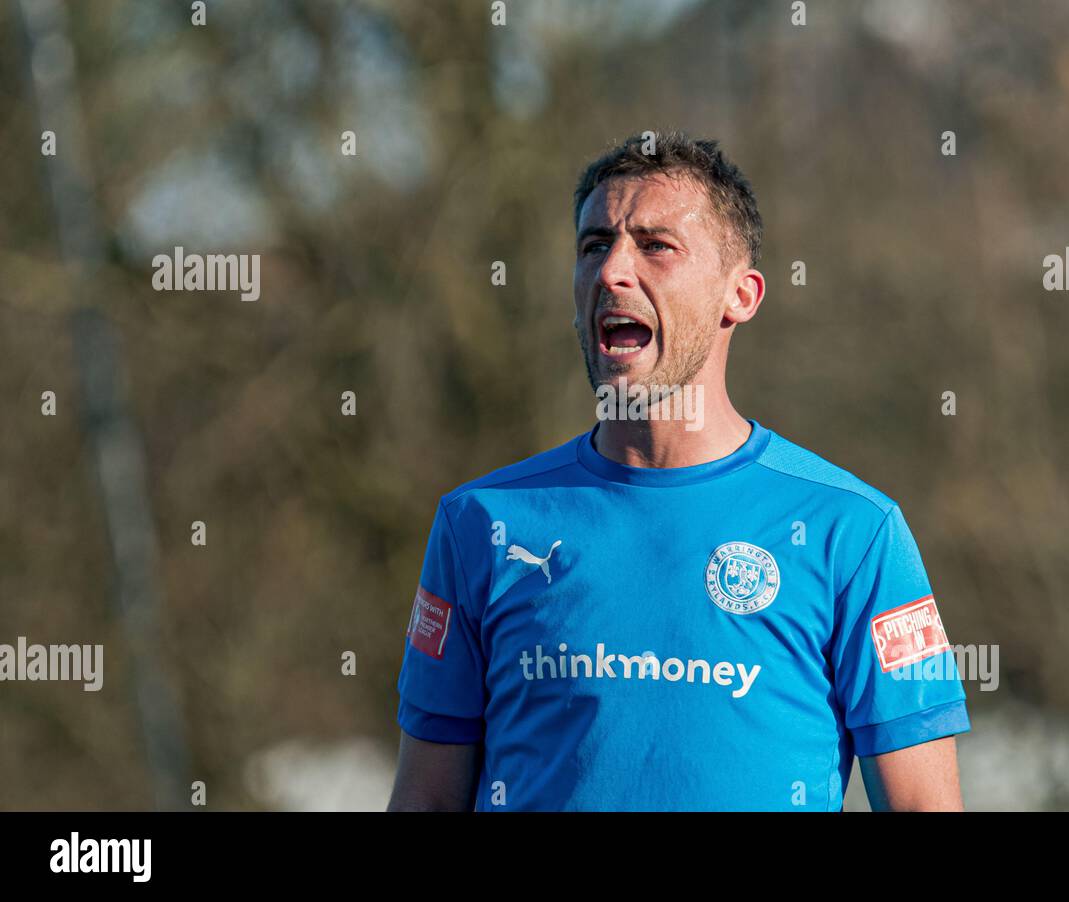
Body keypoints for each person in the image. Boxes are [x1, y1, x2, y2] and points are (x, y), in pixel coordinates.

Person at [387, 131, 970, 811]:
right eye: (594, 245)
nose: (612, 271)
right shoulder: (479, 523)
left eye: (656, 246)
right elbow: (425, 801)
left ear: (740, 295)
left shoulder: (854, 531)